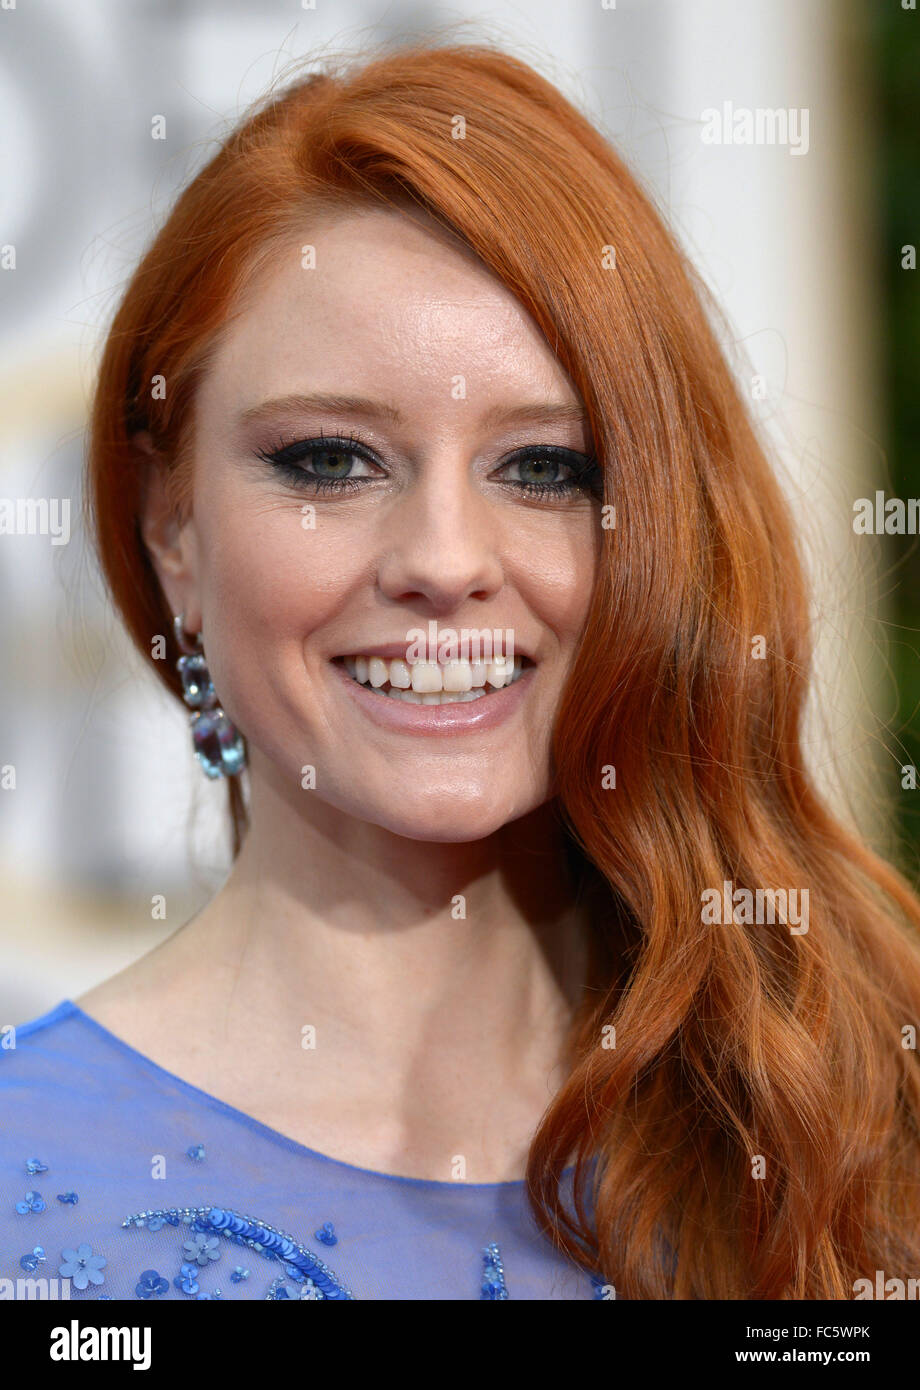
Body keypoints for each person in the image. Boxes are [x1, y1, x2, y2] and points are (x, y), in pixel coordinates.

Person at [2, 40, 919, 1302]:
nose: (442, 558)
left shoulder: (866, 1118)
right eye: (330, 459)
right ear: (172, 531)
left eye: (546, 467)